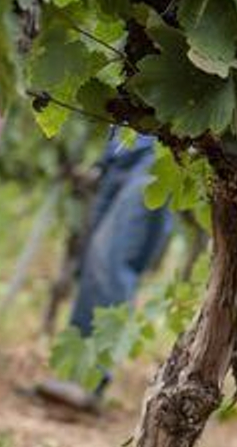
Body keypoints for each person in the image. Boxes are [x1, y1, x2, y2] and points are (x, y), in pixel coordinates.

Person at [32, 129, 175, 413]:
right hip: (118, 154)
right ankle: (75, 375)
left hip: (163, 151)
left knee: (110, 257)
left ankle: (90, 381)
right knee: (92, 264)